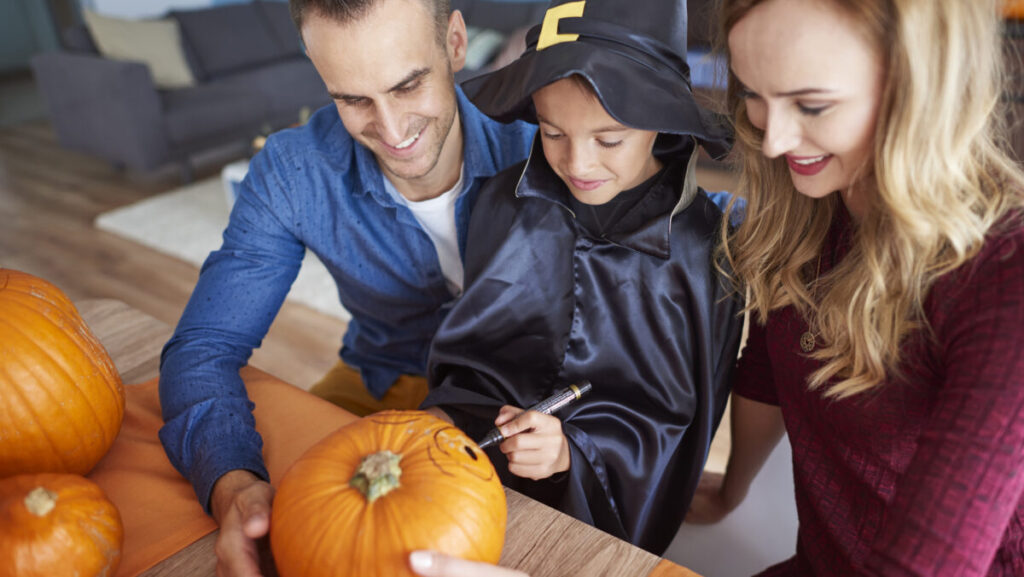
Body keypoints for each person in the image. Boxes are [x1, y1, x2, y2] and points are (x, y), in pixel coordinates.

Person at [156, 0, 535, 573]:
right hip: (380, 376)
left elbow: (675, 216)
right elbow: (204, 350)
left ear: (455, 43)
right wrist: (233, 486)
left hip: (521, 399)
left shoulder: (544, 136)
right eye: (353, 98)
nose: (390, 128)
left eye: (408, 86)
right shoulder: (292, 173)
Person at [685, 0, 1024, 574]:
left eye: (812, 104)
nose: (773, 141)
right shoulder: (812, 205)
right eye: (753, 93)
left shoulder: (1004, 276)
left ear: (920, 88)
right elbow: (771, 361)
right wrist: (730, 490)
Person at [420, 0, 743, 555]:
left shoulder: (705, 256)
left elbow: (677, 427)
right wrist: (474, 415)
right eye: (551, 132)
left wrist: (575, 452)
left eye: (609, 140)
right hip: (469, 489)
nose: (578, 164)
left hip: (587, 529)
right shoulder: (504, 202)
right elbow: (466, 360)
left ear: (661, 122)